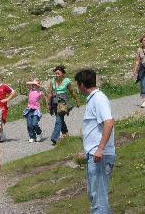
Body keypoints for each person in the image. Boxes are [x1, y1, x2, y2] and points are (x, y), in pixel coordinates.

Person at [75, 68, 115, 214]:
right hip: (94, 154)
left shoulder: (98, 99)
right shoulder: (93, 99)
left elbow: (109, 122)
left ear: (81, 84)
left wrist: (100, 148)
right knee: (95, 196)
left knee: (98, 199)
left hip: (99, 156)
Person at [45, 65, 82, 146]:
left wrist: (77, 100)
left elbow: (72, 92)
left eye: (58, 73)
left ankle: (54, 137)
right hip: (54, 103)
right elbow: (50, 93)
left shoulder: (67, 81)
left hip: (63, 103)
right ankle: (65, 133)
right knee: (60, 119)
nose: (57, 75)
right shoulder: (53, 81)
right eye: (56, 74)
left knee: (58, 119)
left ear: (63, 74)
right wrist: (48, 104)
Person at [23, 79, 48, 143]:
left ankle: (39, 133)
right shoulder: (30, 90)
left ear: (38, 86)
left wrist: (48, 105)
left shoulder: (40, 92)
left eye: (34, 85)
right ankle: (32, 137)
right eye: (32, 84)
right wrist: (32, 82)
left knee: (34, 124)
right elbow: (27, 83)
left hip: (36, 110)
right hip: (29, 109)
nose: (33, 85)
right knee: (29, 125)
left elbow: (46, 98)